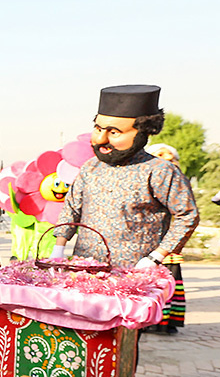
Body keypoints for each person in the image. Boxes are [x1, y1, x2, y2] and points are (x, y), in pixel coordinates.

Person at [53, 85, 199, 269]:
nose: (101, 139)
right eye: (98, 129)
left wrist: (156, 256)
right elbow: (72, 208)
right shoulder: (91, 168)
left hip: (135, 272)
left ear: (143, 132)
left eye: (114, 132)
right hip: (85, 268)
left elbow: (186, 215)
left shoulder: (159, 171)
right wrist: (58, 248)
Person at [144, 143, 189, 332]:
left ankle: (164, 322)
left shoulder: (179, 181)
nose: (166, 158)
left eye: (169, 156)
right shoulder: (147, 177)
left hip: (168, 242)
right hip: (147, 239)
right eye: (160, 155)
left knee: (168, 282)